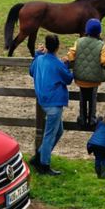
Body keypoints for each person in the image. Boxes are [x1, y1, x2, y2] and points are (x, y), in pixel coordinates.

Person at [29, 34, 74, 176]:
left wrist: (37, 54)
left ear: (46, 46)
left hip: (43, 101)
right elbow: (68, 79)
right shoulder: (57, 63)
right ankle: (44, 165)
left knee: (58, 131)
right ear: (58, 46)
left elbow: (31, 71)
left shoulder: (39, 60)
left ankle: (38, 157)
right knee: (49, 135)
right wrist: (67, 65)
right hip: (54, 103)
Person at [65, 18, 105, 129]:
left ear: (86, 30)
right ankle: (92, 120)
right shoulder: (101, 44)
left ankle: (83, 119)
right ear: (99, 31)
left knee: (83, 99)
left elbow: (71, 55)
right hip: (94, 80)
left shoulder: (79, 41)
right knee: (93, 99)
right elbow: (104, 61)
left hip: (81, 78)